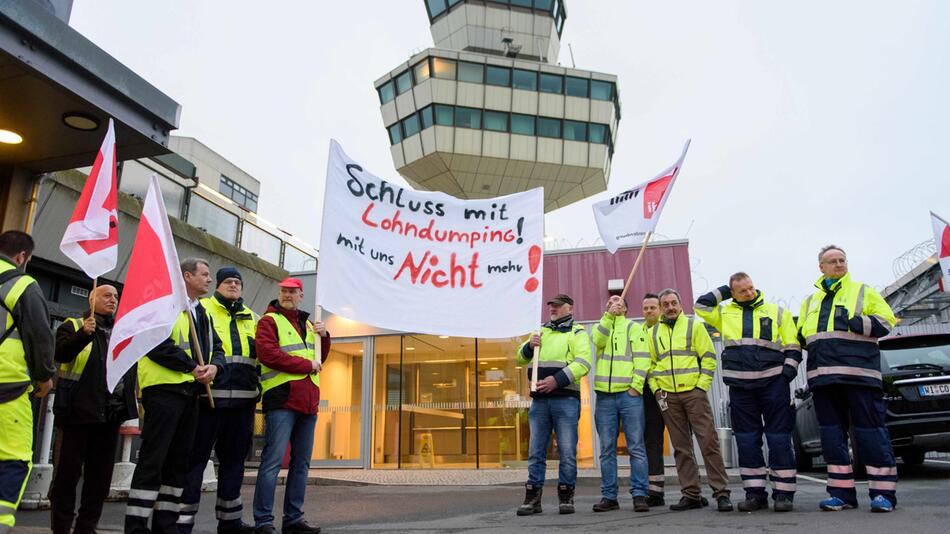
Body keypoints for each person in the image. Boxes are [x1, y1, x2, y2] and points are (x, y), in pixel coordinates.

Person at [125, 258, 225, 534]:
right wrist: (192, 366)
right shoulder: (164, 305)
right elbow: (155, 343)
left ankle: (165, 526)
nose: (209, 280)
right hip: (163, 391)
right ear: (187, 276)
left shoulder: (200, 313)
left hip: (190, 394)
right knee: (153, 460)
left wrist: (215, 366)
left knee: (177, 463)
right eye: (204, 275)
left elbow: (216, 347)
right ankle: (135, 527)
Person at [797, 245, 898, 513]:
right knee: (832, 439)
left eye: (842, 260)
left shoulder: (862, 291)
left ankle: (883, 495)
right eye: (833, 261)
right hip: (824, 381)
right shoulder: (810, 302)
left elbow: (887, 321)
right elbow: (802, 337)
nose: (839, 264)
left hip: (860, 378)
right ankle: (841, 494)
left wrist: (856, 322)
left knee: (870, 435)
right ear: (821, 267)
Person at [695, 273, 801, 512]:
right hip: (741, 389)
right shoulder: (724, 313)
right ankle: (755, 494)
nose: (749, 293)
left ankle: (784, 494)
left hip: (774, 384)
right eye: (742, 290)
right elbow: (701, 305)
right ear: (733, 293)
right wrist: (725, 289)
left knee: (779, 439)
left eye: (751, 288)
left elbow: (793, 345)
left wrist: (786, 375)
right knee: (747, 441)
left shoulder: (776, 312)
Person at [49, 284, 137, 534]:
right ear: (91, 298)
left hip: (109, 416)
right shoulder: (74, 325)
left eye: (116, 297)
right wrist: (84, 334)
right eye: (106, 295)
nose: (113, 300)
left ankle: (87, 528)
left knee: (99, 481)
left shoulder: (120, 332)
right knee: (67, 478)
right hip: (77, 414)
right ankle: (61, 528)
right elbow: (60, 354)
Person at [179, 267, 259, 533]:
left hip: (243, 405)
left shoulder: (254, 319)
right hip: (206, 402)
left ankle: (230, 521)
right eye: (228, 282)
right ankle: (182, 522)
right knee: (195, 462)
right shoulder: (201, 311)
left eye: (238, 282)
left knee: (234, 464)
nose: (233, 285)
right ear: (218, 286)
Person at [253, 277, 330, 534]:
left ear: (301, 295)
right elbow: (268, 354)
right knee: (272, 462)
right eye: (284, 291)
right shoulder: (268, 321)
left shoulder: (308, 323)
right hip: (282, 400)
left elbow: (319, 359)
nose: (287, 294)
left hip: (308, 401)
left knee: (301, 464)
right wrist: (306, 366)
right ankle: (264, 521)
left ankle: (293, 518)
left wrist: (325, 337)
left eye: (292, 291)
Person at [645, 288, 733, 512]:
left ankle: (721, 493)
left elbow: (709, 357)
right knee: (681, 448)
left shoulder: (695, 326)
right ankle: (691, 494)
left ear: (681, 304)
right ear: (661, 308)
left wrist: (701, 386)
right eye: (666, 304)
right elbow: (652, 366)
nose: (670, 307)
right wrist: (657, 390)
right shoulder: (654, 333)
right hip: (668, 397)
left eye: (674, 302)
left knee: (708, 443)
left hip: (694, 394)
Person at [515, 294, 591, 516]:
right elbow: (520, 358)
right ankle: (532, 499)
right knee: (536, 451)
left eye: (558, 306)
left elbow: (583, 362)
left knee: (567, 451)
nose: (553, 309)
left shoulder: (578, 333)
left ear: (570, 307)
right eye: (551, 306)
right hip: (539, 401)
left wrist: (555, 380)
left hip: (566, 399)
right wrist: (529, 346)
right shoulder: (539, 331)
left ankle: (566, 496)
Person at [0, 231, 55, 534]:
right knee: (13, 460)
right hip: (7, 391)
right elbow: (39, 336)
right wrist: (44, 376)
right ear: (22, 257)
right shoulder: (22, 284)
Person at [590, 295, 651, 512]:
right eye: (609, 303)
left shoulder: (634, 328)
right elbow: (598, 341)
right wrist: (607, 316)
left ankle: (640, 494)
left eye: (618, 302)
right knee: (607, 449)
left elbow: (643, 358)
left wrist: (636, 385)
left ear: (625, 308)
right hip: (605, 397)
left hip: (628, 394)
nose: (614, 305)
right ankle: (609, 496)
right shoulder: (600, 327)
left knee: (636, 446)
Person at [640, 293, 669, 507]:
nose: (649, 311)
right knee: (652, 440)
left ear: (659, 309)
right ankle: (655, 491)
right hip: (649, 394)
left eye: (653, 307)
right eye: (646, 308)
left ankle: (692, 489)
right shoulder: (638, 332)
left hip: (673, 390)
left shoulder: (669, 329)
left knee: (681, 440)